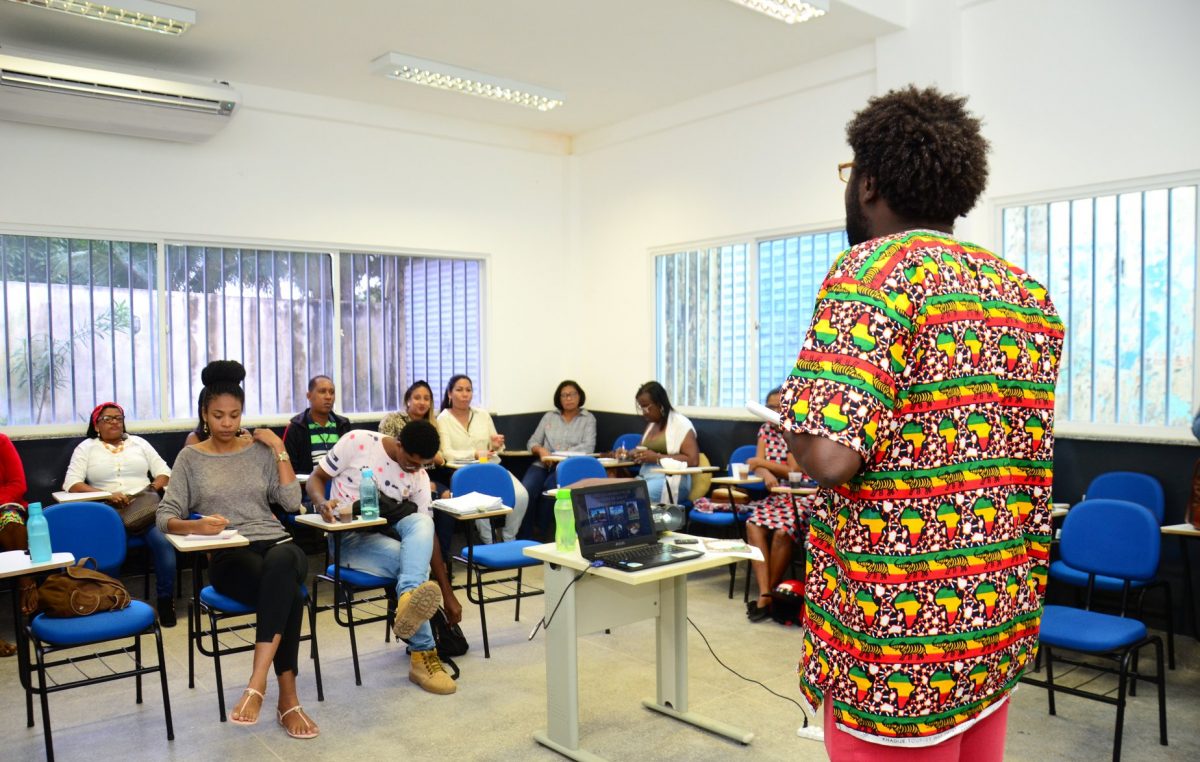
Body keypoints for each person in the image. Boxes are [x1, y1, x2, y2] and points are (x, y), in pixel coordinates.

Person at [777, 86, 1062, 760]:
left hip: (899, 642)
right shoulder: (1022, 293)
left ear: (869, 184)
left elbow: (829, 457)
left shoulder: (872, 271)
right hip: (991, 617)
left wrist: (792, 409)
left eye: (851, 176)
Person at [158, 360, 319, 740]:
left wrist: (279, 447)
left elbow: (290, 500)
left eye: (234, 415)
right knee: (287, 595)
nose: (227, 423)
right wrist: (196, 525)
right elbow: (164, 516)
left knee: (283, 561)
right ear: (204, 414)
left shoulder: (261, 450)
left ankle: (257, 683)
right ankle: (287, 700)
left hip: (276, 541)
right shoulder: (190, 458)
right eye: (218, 416)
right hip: (230, 552)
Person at [305, 420, 460, 695]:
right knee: (414, 566)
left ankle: (408, 602)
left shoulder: (421, 476)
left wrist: (447, 592)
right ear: (399, 444)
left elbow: (429, 540)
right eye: (410, 462)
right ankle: (422, 654)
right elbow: (316, 479)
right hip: (349, 541)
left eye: (421, 465)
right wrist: (321, 503)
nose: (414, 470)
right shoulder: (357, 442)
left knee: (424, 525)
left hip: (388, 539)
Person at [63, 403, 175, 625]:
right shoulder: (86, 448)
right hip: (109, 512)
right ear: (96, 425)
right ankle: (112, 599)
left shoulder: (139, 443)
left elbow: (165, 473)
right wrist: (106, 494)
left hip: (145, 510)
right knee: (111, 551)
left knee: (164, 544)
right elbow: (72, 483)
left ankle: (165, 601)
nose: (114, 422)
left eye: (118, 417)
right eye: (107, 418)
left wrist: (151, 489)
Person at [742, 388, 816, 623]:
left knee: (783, 532)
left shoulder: (795, 431)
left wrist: (760, 463)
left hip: (800, 494)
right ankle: (766, 593)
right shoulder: (764, 430)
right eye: (770, 408)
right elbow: (758, 464)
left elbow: (794, 470)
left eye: (779, 407)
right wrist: (764, 471)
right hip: (776, 496)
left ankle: (771, 594)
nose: (775, 412)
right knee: (753, 524)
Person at [436, 374, 528, 543]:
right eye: (459, 390)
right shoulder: (443, 418)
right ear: (449, 394)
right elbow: (447, 453)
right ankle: (488, 541)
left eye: (468, 390)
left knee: (522, 496)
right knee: (481, 503)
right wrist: (474, 453)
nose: (465, 394)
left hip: (491, 466)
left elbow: (495, 448)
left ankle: (509, 536)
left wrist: (495, 444)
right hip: (465, 472)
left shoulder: (482, 415)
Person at [519, 380, 597, 540]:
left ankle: (542, 537)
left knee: (550, 490)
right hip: (543, 463)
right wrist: (541, 450)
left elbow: (588, 447)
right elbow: (532, 442)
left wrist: (560, 455)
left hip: (567, 466)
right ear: (559, 398)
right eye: (564, 395)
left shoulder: (588, 418)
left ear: (579, 396)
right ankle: (524, 538)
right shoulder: (549, 416)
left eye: (572, 394)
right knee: (527, 490)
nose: (569, 398)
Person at [630, 381, 699, 503]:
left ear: (660, 404)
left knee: (635, 497)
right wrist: (630, 454)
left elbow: (693, 460)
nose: (644, 412)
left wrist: (657, 458)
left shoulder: (681, 424)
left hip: (671, 479)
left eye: (647, 406)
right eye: (641, 407)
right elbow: (642, 451)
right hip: (645, 476)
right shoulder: (651, 425)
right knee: (615, 492)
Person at [0, 432, 35, 657]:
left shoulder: (1, 441)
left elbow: (17, 483)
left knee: (11, 522)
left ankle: (27, 585)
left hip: (4, 505)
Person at [282, 375, 351, 475]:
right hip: (309, 487)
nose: (328, 397)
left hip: (340, 486)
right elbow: (289, 468)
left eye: (332, 392)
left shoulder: (343, 425)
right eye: (322, 391)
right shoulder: (296, 428)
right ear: (309, 396)